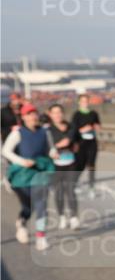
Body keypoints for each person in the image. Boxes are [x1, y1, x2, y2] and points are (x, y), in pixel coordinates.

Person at [2, 102, 54, 250]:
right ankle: (22, 222)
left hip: (39, 171)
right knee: (28, 206)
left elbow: (50, 149)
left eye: (34, 113)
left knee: (41, 205)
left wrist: (53, 154)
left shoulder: (45, 132)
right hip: (21, 175)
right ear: (23, 117)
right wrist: (22, 161)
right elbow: (5, 151)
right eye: (29, 114)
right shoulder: (17, 133)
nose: (33, 117)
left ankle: (41, 237)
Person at [46, 103, 81, 230]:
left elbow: (77, 140)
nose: (57, 115)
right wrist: (54, 148)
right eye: (54, 112)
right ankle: (61, 216)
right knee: (59, 192)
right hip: (55, 165)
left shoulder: (71, 126)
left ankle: (74, 217)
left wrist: (75, 144)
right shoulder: (47, 130)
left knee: (71, 190)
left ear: (63, 113)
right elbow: (45, 147)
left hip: (71, 163)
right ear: (50, 114)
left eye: (59, 112)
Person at [71, 93, 101, 197]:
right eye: (83, 101)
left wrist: (97, 127)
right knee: (80, 166)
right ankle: (75, 183)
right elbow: (73, 130)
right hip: (81, 142)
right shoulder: (76, 114)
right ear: (79, 102)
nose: (85, 103)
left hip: (92, 142)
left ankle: (91, 188)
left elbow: (98, 125)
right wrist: (83, 129)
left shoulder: (93, 113)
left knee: (91, 165)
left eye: (86, 101)